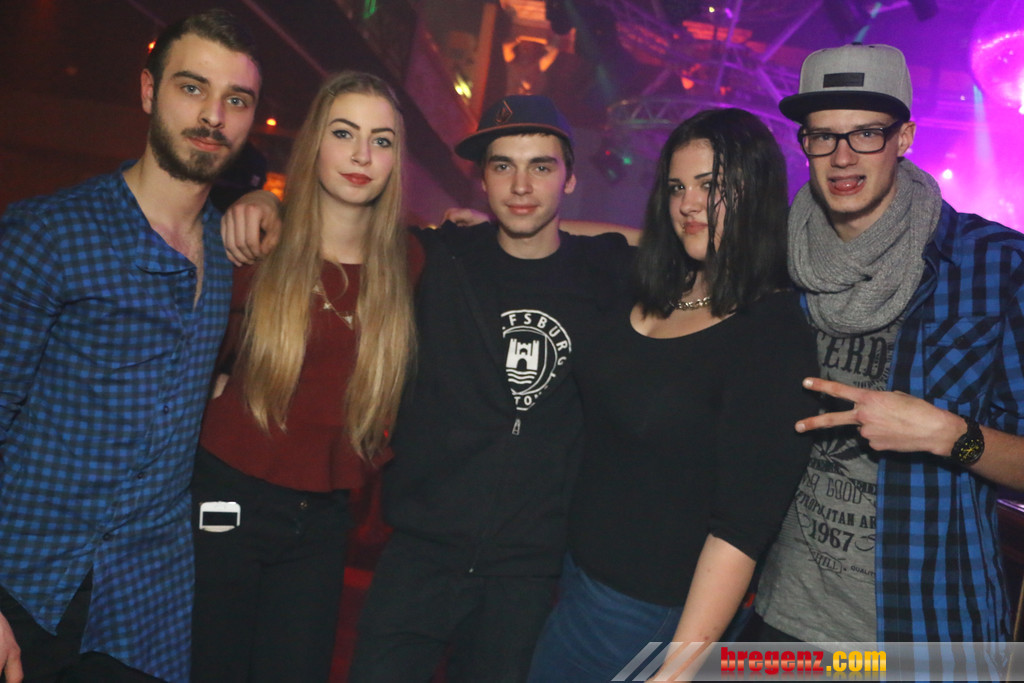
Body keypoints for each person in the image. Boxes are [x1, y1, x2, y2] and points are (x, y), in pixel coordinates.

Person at [0, 9, 261, 683]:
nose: (213, 116)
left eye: (236, 100)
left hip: (143, 606)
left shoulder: (229, 259)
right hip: (24, 579)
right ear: (148, 91)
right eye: (191, 87)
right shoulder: (49, 234)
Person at [523, 108, 818, 682]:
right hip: (577, 576)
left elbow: (742, 526)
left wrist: (680, 667)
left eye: (710, 186)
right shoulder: (663, 284)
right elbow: (599, 241)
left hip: (646, 612)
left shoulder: (772, 333)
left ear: (756, 192)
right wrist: (496, 228)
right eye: (678, 187)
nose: (688, 203)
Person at [346, 95, 633, 682]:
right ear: (481, 180)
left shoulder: (605, 272)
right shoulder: (440, 258)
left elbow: (690, 240)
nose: (521, 186)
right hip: (418, 557)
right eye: (503, 166)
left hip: (526, 576)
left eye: (541, 167)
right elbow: (339, 228)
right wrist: (256, 201)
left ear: (570, 178)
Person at [748, 43, 1024, 650]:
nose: (842, 156)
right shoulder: (779, 262)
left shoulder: (995, 267)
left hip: (925, 631)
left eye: (866, 133)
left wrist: (949, 435)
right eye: (823, 136)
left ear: (904, 138)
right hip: (781, 619)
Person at [189, 70, 419, 683]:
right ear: (315, 141)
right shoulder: (255, 245)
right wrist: (262, 200)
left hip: (323, 516)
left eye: (381, 140)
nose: (362, 155)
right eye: (344, 133)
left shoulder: (411, 263)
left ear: (396, 159)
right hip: (226, 494)